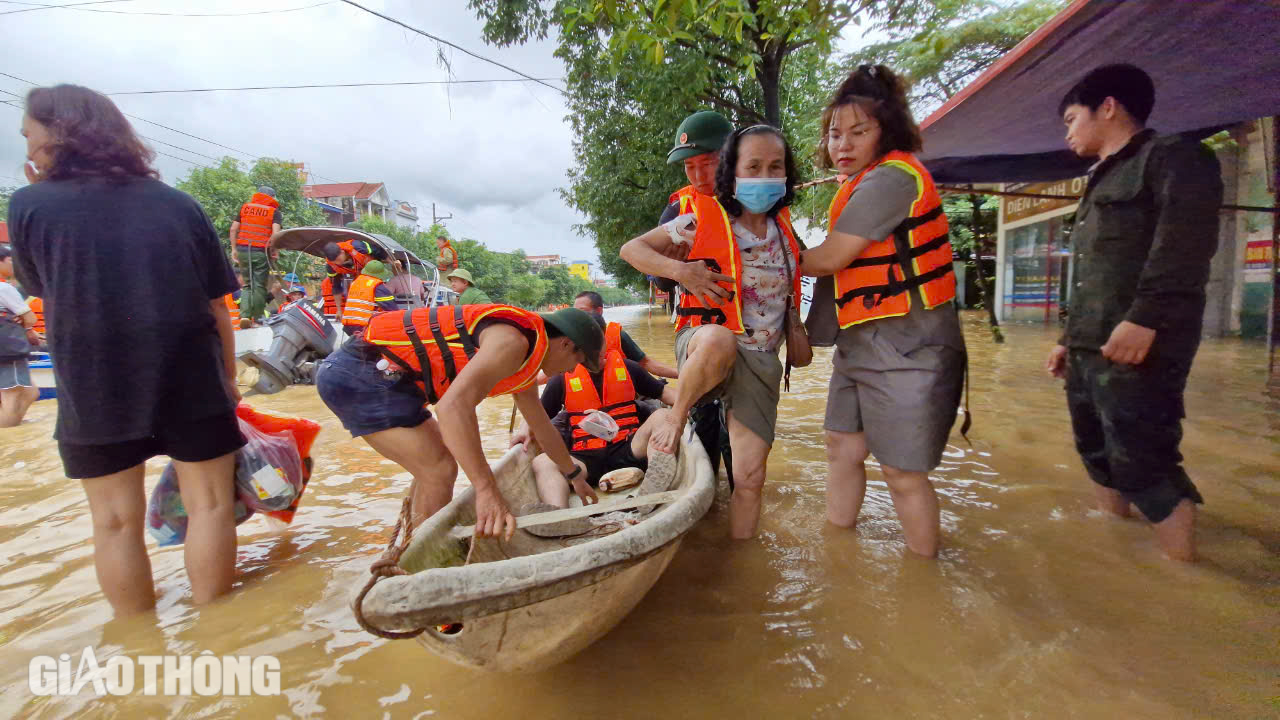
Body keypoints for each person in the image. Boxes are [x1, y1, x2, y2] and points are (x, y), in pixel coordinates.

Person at [8, 84, 243, 614]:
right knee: (209, 507)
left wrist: (40, 191)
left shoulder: (28, 205)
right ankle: (217, 635)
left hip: (92, 379)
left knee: (113, 522)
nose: (25, 146)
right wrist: (227, 378)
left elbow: (45, 288)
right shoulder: (180, 204)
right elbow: (218, 306)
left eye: (29, 133)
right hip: (189, 371)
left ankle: (137, 647)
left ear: (57, 132)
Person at [1045, 64, 1222, 562]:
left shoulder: (1175, 158)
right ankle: (1117, 556)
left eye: (1071, 118)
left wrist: (1145, 317)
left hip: (1142, 340)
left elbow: (1184, 246)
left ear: (1108, 106)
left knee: (1146, 462)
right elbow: (1096, 271)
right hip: (1090, 343)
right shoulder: (1100, 178)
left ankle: (1183, 579)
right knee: (1097, 455)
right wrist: (1069, 336)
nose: (1068, 131)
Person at [799, 65, 966, 558]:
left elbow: (829, 259)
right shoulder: (859, 183)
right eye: (834, 134)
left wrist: (754, 250)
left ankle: (925, 574)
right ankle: (839, 551)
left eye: (858, 132)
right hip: (859, 341)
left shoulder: (892, 179)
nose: (842, 145)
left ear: (885, 131)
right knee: (841, 446)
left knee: (902, 472)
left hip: (910, 343)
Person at [620, 124, 804, 539]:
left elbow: (810, 268)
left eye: (772, 167)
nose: (699, 174)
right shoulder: (693, 214)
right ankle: (675, 417)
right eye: (753, 166)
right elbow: (632, 250)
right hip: (705, 342)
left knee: (750, 476)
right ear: (736, 170)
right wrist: (681, 270)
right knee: (703, 422)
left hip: (759, 358)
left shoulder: (784, 226)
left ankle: (741, 565)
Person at [315, 305, 607, 535]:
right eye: (577, 363)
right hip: (363, 374)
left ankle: (411, 546)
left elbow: (541, 425)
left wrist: (573, 475)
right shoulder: (512, 342)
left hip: (391, 380)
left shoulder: (529, 355)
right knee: (439, 468)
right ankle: (421, 568)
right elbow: (452, 407)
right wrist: (486, 489)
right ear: (567, 345)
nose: (571, 372)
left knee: (433, 465)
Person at [515, 315, 679, 511]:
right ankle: (559, 515)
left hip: (629, 448)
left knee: (662, 416)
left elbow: (665, 393)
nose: (596, 357)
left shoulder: (628, 368)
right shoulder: (561, 377)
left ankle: (653, 493)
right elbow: (538, 413)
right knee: (542, 461)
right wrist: (525, 427)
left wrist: (687, 403)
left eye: (599, 349)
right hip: (584, 460)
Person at [658, 110, 735, 479]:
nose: (699, 175)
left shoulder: (761, 202)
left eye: (708, 163)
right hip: (699, 336)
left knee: (743, 444)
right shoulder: (679, 208)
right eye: (690, 167)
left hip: (752, 338)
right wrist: (676, 268)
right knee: (706, 431)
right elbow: (660, 283)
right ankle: (709, 504)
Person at [573, 290, 678, 379]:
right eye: (574, 312)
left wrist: (684, 374)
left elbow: (646, 363)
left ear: (599, 311)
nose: (576, 316)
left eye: (582, 311)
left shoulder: (617, 335)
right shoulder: (566, 339)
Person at [0, 245, 40, 427]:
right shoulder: (4, 288)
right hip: (8, 349)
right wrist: (25, 324)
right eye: (10, 260)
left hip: (6, 349)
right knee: (13, 396)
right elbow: (30, 318)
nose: (14, 265)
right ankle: (7, 433)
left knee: (31, 392)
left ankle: (14, 425)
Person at [229, 186, 281, 326]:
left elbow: (234, 228)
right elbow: (275, 234)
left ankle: (245, 316)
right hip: (260, 252)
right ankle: (256, 318)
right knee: (259, 285)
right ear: (271, 197)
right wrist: (274, 250)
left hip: (243, 251)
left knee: (247, 284)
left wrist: (233, 249)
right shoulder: (274, 212)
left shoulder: (245, 208)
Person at [320, 237, 385, 321]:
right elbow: (336, 287)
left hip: (372, 281)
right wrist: (339, 310)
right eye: (335, 262)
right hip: (358, 298)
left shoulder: (358, 247)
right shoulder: (331, 266)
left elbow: (380, 252)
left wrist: (393, 262)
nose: (338, 263)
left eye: (339, 260)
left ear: (342, 252)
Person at [340, 260, 398, 336]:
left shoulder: (356, 282)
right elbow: (392, 308)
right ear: (380, 274)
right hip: (363, 327)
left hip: (348, 325)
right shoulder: (377, 286)